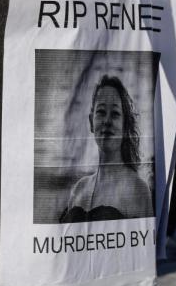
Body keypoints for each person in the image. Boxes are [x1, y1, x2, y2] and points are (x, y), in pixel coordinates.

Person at [60, 75, 154, 223]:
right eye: (101, 112)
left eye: (115, 114)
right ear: (91, 122)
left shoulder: (138, 190)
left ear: (125, 126)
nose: (107, 121)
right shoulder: (78, 189)